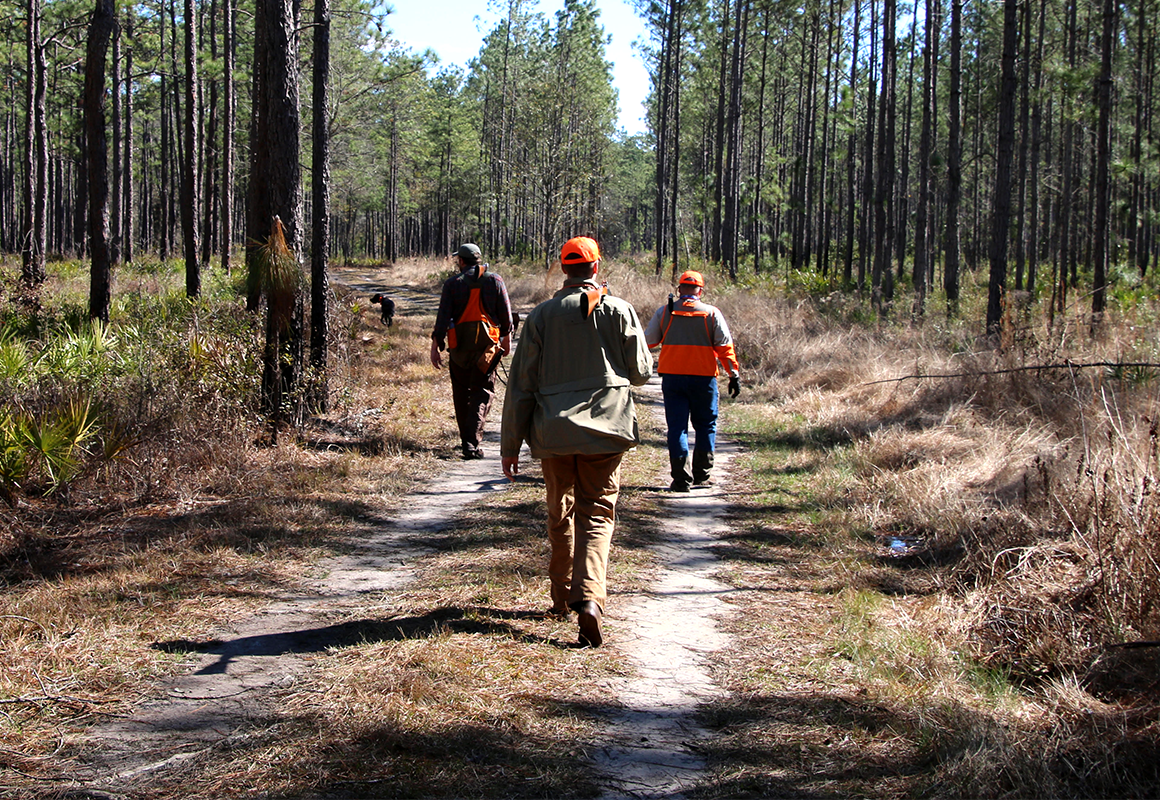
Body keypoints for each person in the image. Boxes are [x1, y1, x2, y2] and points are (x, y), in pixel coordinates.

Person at [500, 237, 652, 647]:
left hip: (554, 432)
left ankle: (560, 598)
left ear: (563, 269)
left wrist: (509, 445)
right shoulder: (619, 310)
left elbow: (520, 386)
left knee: (560, 511)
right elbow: (640, 373)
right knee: (598, 513)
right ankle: (588, 599)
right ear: (596, 267)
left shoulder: (541, 316)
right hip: (606, 431)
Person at [644, 269, 740, 492]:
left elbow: (647, 342)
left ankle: (680, 479)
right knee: (706, 425)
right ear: (701, 290)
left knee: (677, 427)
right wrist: (733, 374)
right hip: (704, 378)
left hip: (673, 378)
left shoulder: (665, 312)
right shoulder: (711, 313)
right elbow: (725, 347)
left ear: (679, 289)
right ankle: (702, 475)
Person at [431, 243, 514, 460]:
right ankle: (471, 442)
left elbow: (442, 319)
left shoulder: (452, 284)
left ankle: (467, 441)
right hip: (487, 350)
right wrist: (507, 340)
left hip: (459, 349)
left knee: (461, 395)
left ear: (461, 261)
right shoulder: (495, 280)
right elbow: (506, 315)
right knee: (482, 392)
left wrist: (435, 346)